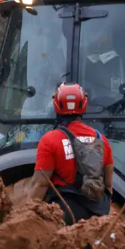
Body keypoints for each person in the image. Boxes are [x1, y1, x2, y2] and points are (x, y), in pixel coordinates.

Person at [30, 83, 115, 224]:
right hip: (97, 216)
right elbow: (108, 184)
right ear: (84, 104)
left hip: (64, 215)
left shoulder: (50, 140)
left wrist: (27, 215)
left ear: (56, 105)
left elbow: (40, 184)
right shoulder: (101, 139)